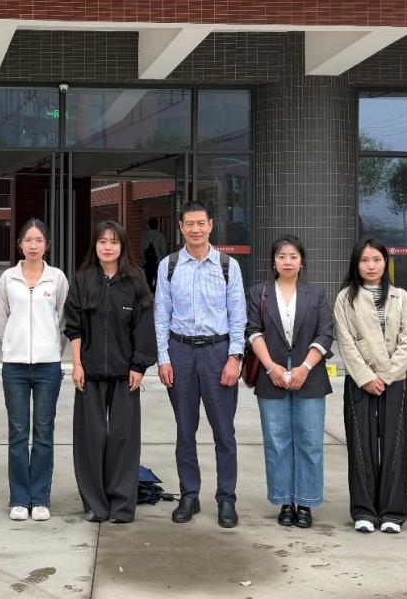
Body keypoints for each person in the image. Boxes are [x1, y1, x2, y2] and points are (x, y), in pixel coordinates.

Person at [154, 201, 246, 528]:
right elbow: (161, 315)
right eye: (189, 224)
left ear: (210, 225)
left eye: (201, 223)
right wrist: (163, 358)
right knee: (185, 430)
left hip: (218, 353)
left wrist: (235, 357)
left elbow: (238, 315)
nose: (195, 229)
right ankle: (189, 495)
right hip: (180, 353)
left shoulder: (227, 265)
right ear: (181, 227)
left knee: (224, 431)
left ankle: (226, 498)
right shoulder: (168, 266)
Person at [64, 220, 156, 524]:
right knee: (90, 439)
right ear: (95, 245)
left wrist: (138, 366)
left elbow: (144, 326)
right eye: (102, 241)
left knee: (123, 439)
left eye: (114, 242)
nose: (107, 247)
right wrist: (77, 365)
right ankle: (95, 504)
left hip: (125, 374)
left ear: (122, 246)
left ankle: (121, 506)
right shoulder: (82, 280)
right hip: (89, 373)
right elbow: (74, 327)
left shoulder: (136, 280)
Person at [245, 234, 334, 529]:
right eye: (281, 256)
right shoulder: (259, 293)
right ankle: (284, 500)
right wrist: (271, 368)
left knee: (310, 442)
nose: (287, 262)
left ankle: (306, 502)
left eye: (293, 256)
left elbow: (325, 333)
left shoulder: (316, 292)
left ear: (302, 261)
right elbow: (253, 331)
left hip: (310, 377)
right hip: (271, 377)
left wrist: (305, 367)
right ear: (274, 261)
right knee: (277, 442)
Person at [334, 237, 407, 534]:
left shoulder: (401, 297)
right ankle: (364, 511)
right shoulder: (345, 298)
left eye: (377, 260)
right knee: (361, 444)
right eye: (365, 260)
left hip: (395, 381)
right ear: (356, 264)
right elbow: (345, 341)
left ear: (385, 263)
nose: (371, 265)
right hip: (360, 381)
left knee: (395, 443)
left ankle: (393, 512)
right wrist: (367, 377)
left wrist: (389, 375)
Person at [0, 219, 69, 522]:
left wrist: (52, 348)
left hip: (48, 367)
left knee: (43, 432)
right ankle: (19, 498)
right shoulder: (8, 278)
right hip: (14, 367)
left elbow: (63, 319)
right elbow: (1, 317)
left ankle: (40, 498)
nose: (33, 245)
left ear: (46, 245)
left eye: (39, 240)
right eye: (28, 240)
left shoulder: (57, 278)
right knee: (17, 433)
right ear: (20, 245)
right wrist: (12, 344)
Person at [140, 217, 168, 292]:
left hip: (147, 262)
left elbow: (142, 250)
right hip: (157, 262)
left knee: (148, 279)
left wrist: (143, 259)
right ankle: (155, 292)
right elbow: (163, 250)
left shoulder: (145, 236)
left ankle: (149, 292)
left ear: (149, 225)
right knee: (158, 278)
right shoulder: (160, 236)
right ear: (157, 225)